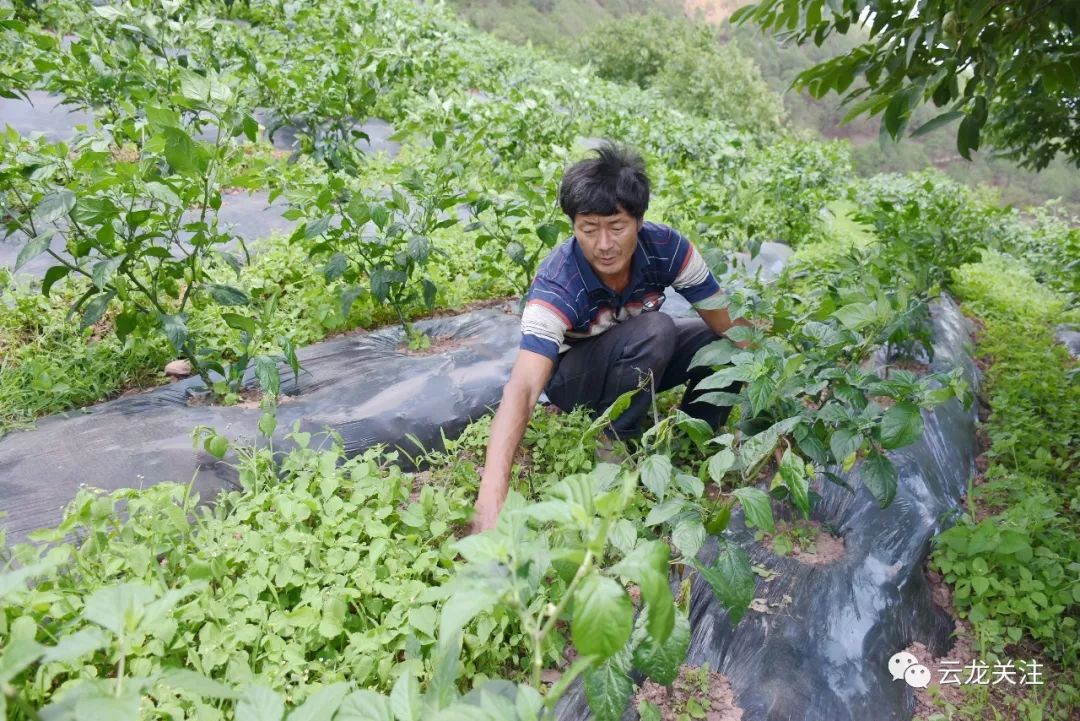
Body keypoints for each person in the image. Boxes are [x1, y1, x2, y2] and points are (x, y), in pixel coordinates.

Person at [470, 141, 748, 533]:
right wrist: (491, 494)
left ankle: (694, 437)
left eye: (616, 227)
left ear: (639, 220)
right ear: (573, 227)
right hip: (574, 379)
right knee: (656, 328)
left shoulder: (668, 249)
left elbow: (729, 323)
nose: (604, 244)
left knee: (717, 342)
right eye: (588, 229)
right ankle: (613, 442)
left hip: (636, 354)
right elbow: (525, 387)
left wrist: (777, 375)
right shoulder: (558, 282)